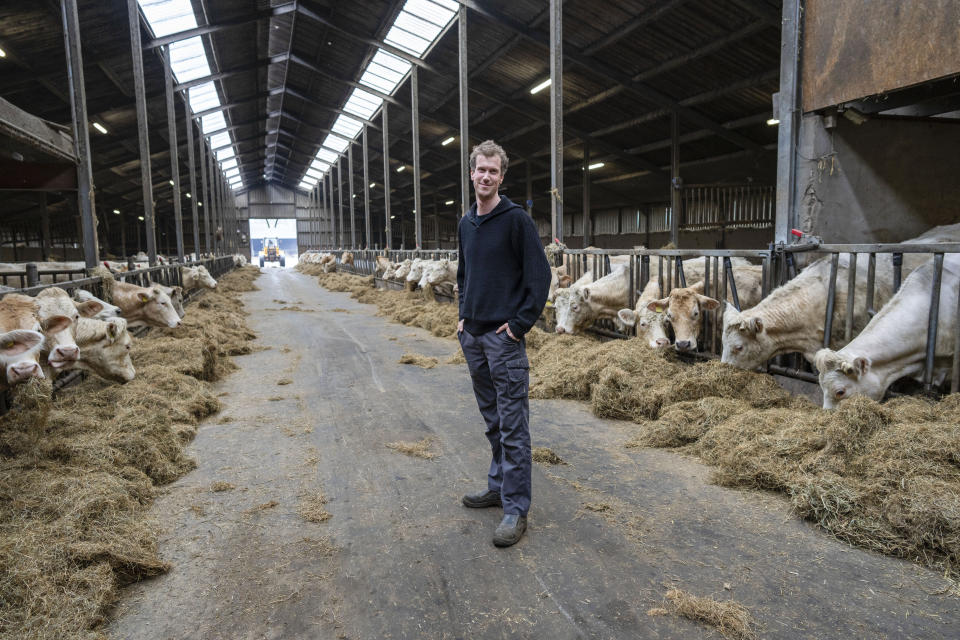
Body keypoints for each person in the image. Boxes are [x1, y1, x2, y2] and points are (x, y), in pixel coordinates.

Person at [456, 140, 551, 547]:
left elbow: (540, 277)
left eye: (494, 171)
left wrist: (517, 326)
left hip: (503, 340)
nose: (486, 176)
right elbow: (464, 274)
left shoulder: (516, 221)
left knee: (513, 426)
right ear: (472, 173)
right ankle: (498, 488)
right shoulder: (466, 223)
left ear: (501, 176)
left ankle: (515, 508)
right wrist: (462, 317)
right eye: (481, 170)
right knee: (493, 421)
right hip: (474, 337)